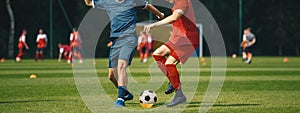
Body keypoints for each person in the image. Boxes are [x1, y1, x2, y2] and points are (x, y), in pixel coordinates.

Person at [85, 0, 164, 107]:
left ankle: (120, 99)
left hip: (129, 39)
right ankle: (125, 93)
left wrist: (159, 14)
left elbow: (147, 5)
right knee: (111, 75)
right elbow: (89, 2)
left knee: (121, 65)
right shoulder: (107, 2)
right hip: (115, 41)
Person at [144, 0, 199, 107]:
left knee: (170, 63)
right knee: (157, 54)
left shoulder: (182, 1)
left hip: (187, 40)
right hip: (177, 39)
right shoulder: (176, 3)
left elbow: (174, 17)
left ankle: (179, 95)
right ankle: (173, 81)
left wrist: (154, 24)